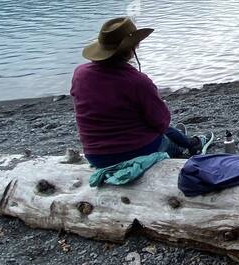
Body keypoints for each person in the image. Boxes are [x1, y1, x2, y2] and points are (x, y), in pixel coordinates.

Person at [70, 17, 205, 169]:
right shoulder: (137, 81)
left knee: (155, 126)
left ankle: (184, 139)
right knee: (166, 136)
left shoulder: (80, 74)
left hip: (96, 157)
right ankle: (190, 145)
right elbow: (161, 122)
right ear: (131, 48)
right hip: (135, 153)